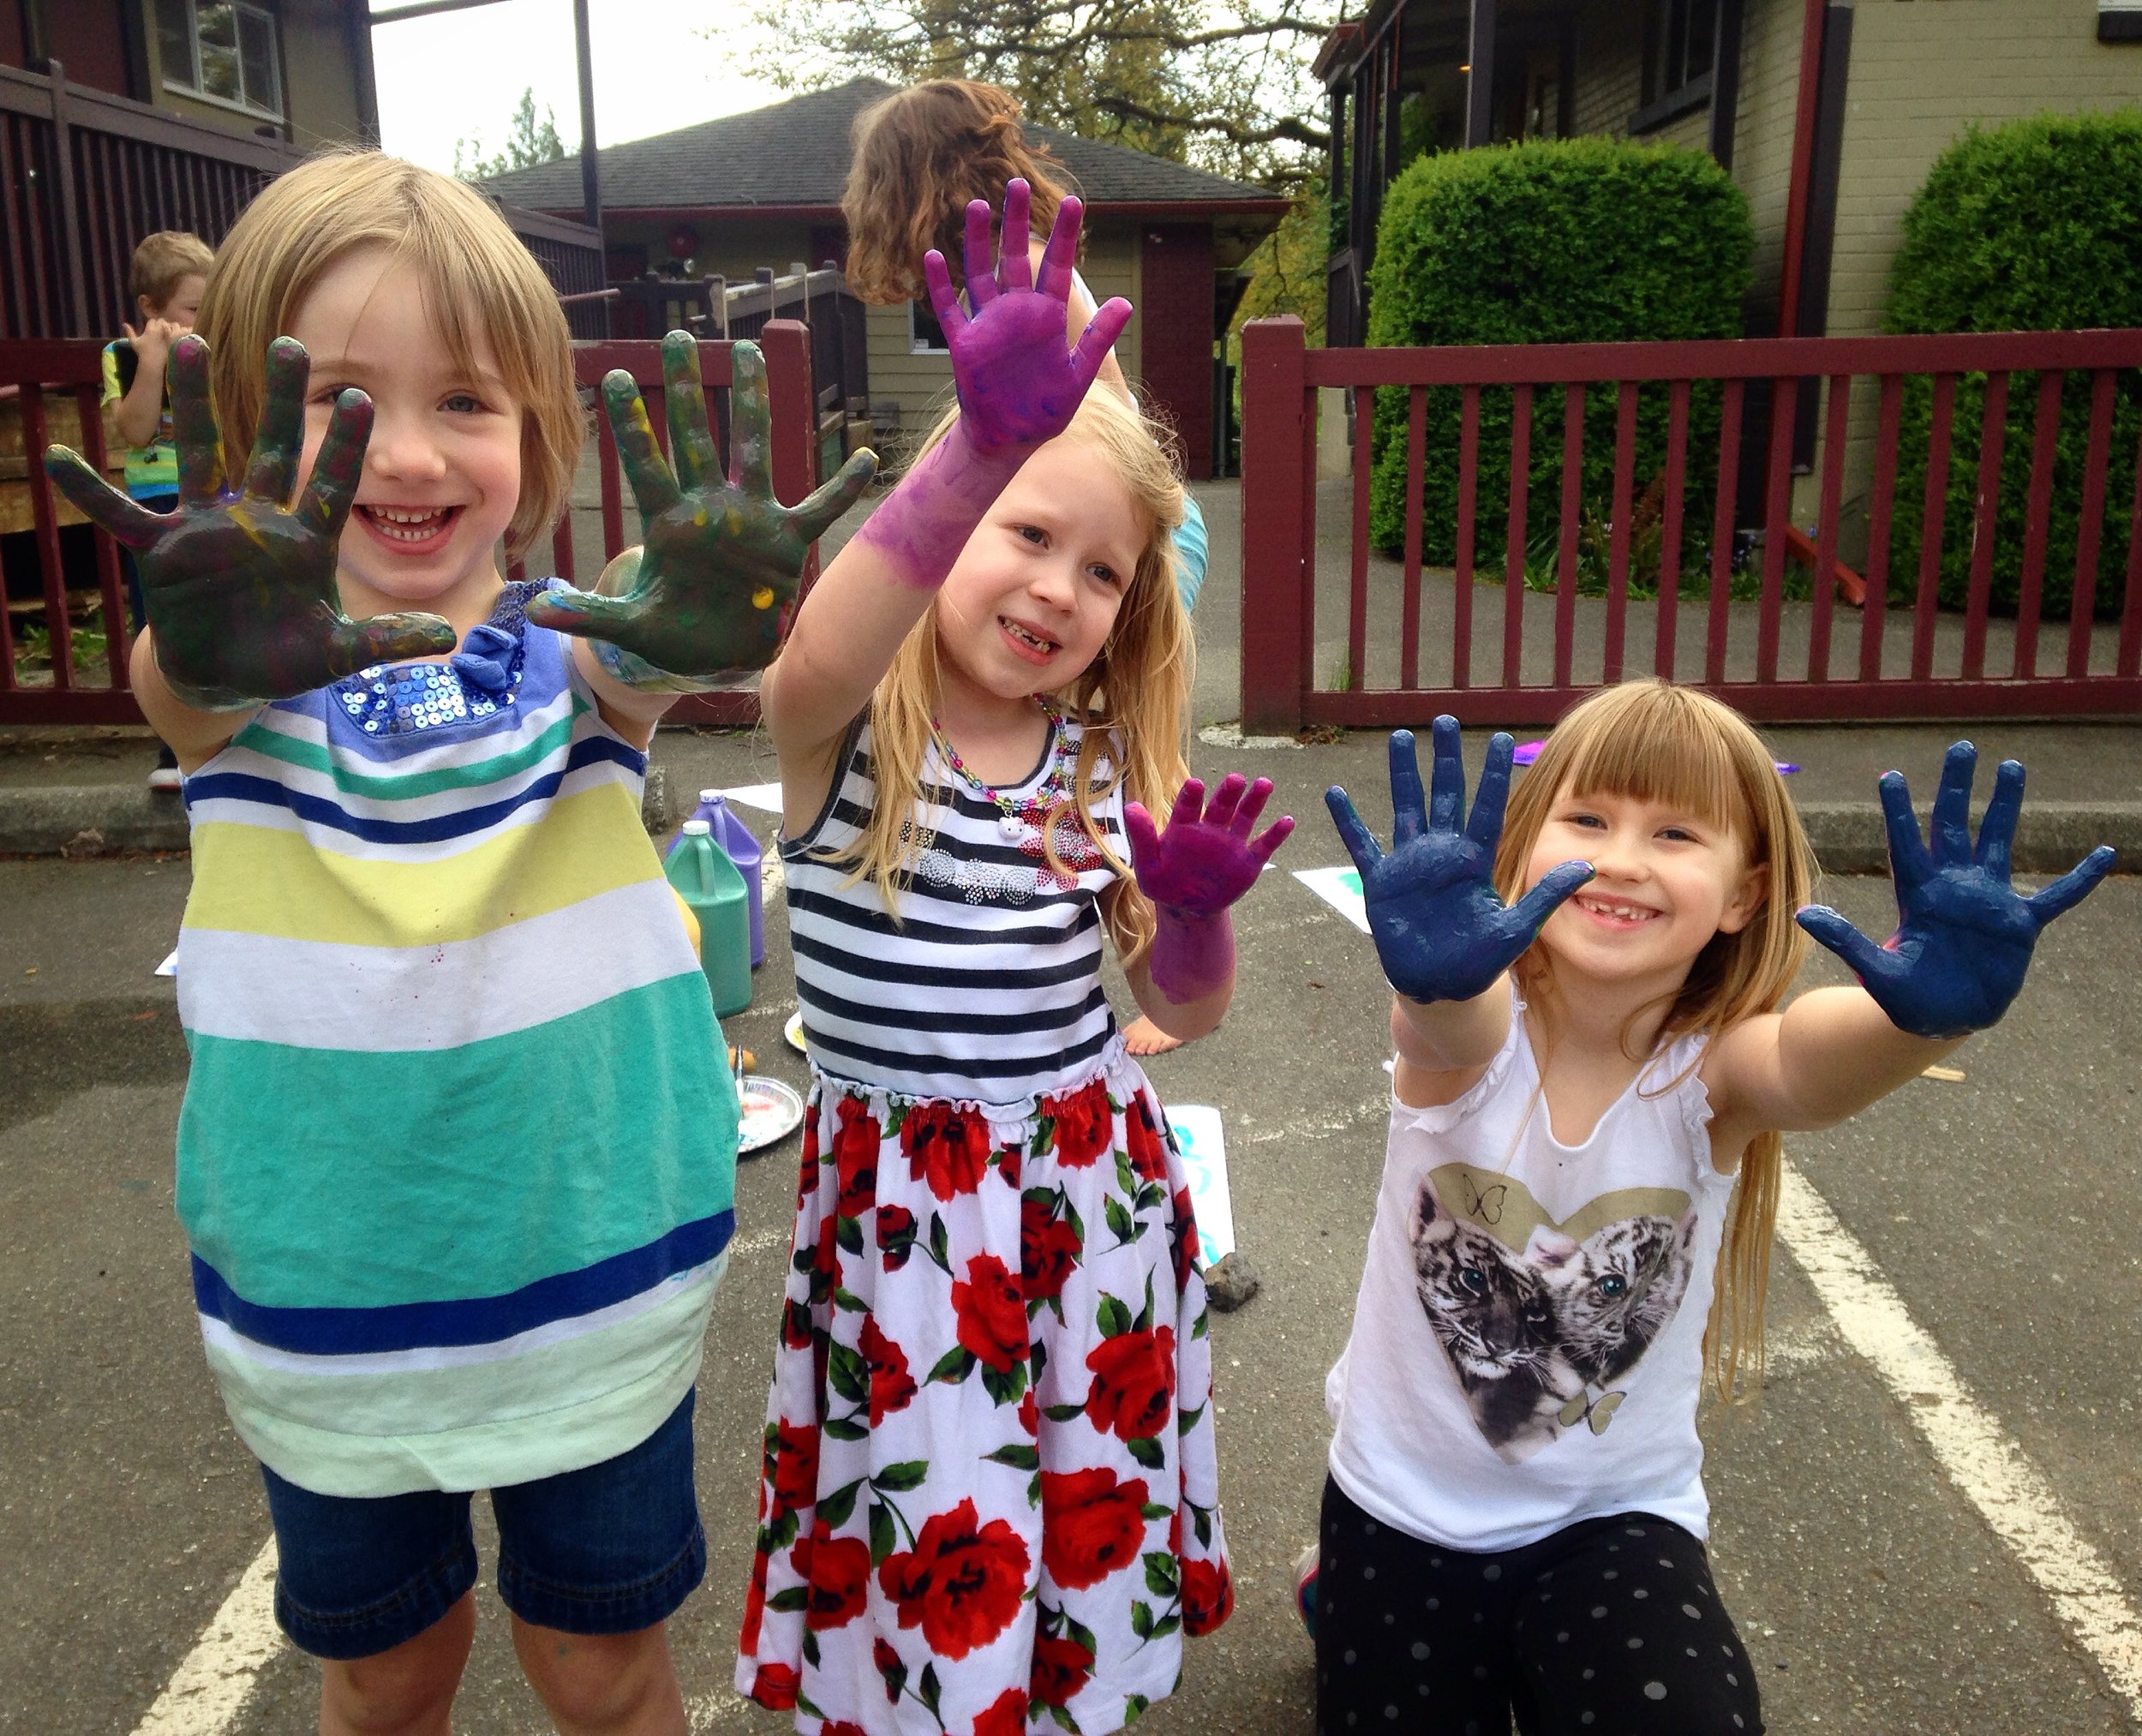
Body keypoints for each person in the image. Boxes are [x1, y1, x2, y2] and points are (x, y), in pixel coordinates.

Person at [47, 152, 872, 1736]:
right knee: (385, 1672)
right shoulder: (233, 698)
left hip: (595, 1292)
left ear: (540, 443)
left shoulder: (579, 660)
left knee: (602, 1668)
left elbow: (687, 631)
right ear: (257, 439)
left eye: (470, 405)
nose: (409, 453)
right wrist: (197, 627)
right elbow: (181, 679)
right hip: (331, 1316)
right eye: (347, 403)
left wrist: (728, 609)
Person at [736, 182, 1289, 1735]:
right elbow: (819, 646)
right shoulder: (842, 739)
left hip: (1094, 1194)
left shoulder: (1106, 770)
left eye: (1102, 570)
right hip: (912, 1225)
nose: (1056, 585)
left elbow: (1183, 1012)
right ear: (942, 532)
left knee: (1071, 1499)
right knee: (937, 1522)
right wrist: (975, 444)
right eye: (1018, 532)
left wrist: (1193, 922)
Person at [1307, 680, 2114, 1735]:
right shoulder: (1475, 1020)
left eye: (1676, 831)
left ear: (1743, 893)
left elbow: (1810, 1062)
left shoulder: (1715, 1070)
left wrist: (1919, 1024)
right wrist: (1431, 983)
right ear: (1517, 849)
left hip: (1610, 1521)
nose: (1626, 857)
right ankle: (1331, 1590)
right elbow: (1446, 1031)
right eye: (1588, 819)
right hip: (1398, 1509)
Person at [843, 76, 1212, 1061]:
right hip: (1048, 500)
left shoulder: (1040, 268)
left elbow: (1115, 427)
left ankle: (1140, 880)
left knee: (1117, 713)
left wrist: (1116, 541)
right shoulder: (975, 270)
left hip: (1127, 511)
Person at [101, 229, 211, 790]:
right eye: (194, 308)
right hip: (156, 508)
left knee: (224, 612)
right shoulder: (121, 357)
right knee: (162, 624)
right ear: (150, 308)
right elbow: (137, 428)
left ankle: (230, 735)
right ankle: (173, 752)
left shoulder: (215, 351)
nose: (205, 319)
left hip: (216, 499)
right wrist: (155, 361)